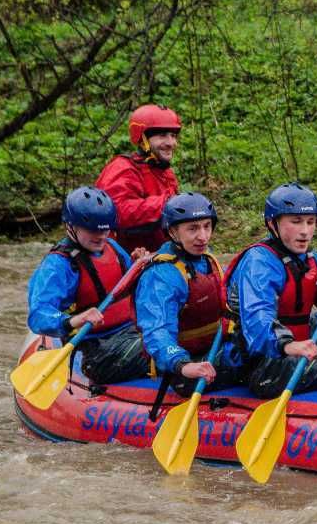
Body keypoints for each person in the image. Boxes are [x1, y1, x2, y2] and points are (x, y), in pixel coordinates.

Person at [225, 182, 317, 398]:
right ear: (272, 224)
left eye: (310, 222)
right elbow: (257, 318)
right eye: (295, 222)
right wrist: (287, 345)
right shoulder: (259, 262)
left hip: (303, 350)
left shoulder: (312, 259)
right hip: (266, 365)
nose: (305, 231)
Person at [24, 187, 151, 384]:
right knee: (154, 346)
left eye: (105, 229)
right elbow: (38, 316)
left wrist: (139, 268)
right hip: (94, 349)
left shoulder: (113, 248)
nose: (101, 236)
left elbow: (134, 289)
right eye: (92, 230)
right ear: (70, 226)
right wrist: (75, 320)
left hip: (130, 330)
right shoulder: (58, 265)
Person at [134, 192, 244, 392]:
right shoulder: (161, 275)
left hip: (215, 347)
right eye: (193, 229)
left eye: (207, 226)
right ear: (173, 232)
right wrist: (182, 364)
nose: (203, 237)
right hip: (185, 365)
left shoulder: (207, 260)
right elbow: (157, 329)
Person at [96, 104, 181, 255]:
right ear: (142, 139)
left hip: (160, 256)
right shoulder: (123, 168)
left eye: (173, 136)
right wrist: (167, 205)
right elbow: (115, 212)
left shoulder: (165, 173)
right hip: (127, 260)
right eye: (162, 136)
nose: (171, 143)